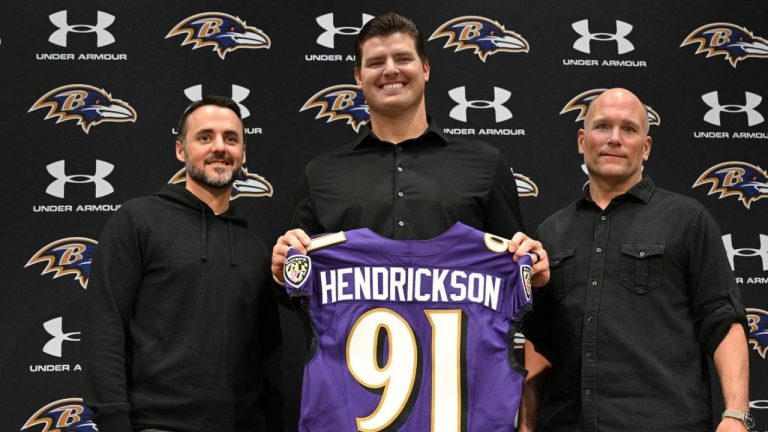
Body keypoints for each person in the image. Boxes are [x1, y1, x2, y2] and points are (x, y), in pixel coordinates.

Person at [520, 88, 750, 432]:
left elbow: (722, 320)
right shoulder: (551, 232)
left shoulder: (688, 220)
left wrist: (736, 414)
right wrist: (527, 424)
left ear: (646, 148)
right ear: (582, 140)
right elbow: (539, 340)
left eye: (629, 129)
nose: (614, 139)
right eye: (602, 127)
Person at [271, 12, 549, 285]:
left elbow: (517, 280)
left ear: (425, 68)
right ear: (358, 77)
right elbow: (297, 289)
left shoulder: (486, 164)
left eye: (403, 58)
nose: (390, 70)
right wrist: (283, 272)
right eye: (376, 62)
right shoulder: (320, 174)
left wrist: (533, 271)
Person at [82, 95, 283, 432]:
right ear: (181, 150)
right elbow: (105, 326)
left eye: (231, 139)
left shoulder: (254, 248)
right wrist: (115, 421)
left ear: (243, 154)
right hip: (157, 425)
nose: (220, 147)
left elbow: (266, 356)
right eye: (205, 137)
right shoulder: (139, 220)